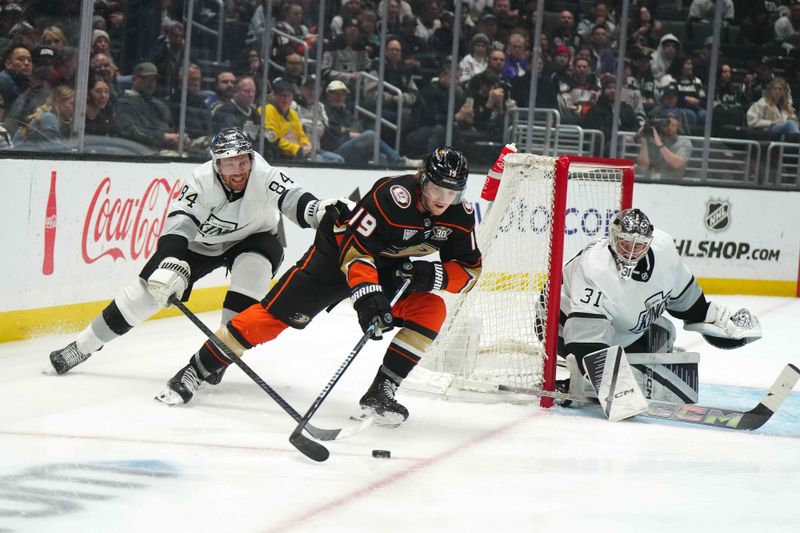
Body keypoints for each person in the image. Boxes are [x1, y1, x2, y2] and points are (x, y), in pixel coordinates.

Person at [155, 147, 483, 429]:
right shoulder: (392, 197)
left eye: (451, 192)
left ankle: (381, 392)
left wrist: (434, 277)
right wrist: (368, 297)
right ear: (422, 178)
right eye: (436, 188)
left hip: (388, 270)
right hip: (334, 257)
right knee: (271, 319)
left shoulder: (459, 216)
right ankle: (195, 370)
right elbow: (356, 251)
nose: (442, 199)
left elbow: (471, 270)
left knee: (432, 308)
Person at [47, 128, 344, 378]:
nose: (238, 171)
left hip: (256, 238)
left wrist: (319, 211)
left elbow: (294, 199)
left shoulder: (265, 174)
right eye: (229, 165)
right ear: (216, 165)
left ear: (251, 159)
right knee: (145, 293)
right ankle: (83, 346)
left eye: (242, 162)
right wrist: (170, 260)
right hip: (201, 244)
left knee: (250, 279)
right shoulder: (199, 181)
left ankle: (215, 361)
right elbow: (180, 224)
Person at [556, 208, 761, 418]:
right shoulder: (595, 268)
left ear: (649, 242)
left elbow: (687, 302)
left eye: (639, 246)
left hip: (614, 325)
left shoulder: (664, 250)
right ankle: (578, 379)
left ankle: (595, 377)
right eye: (625, 243)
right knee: (612, 366)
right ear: (613, 237)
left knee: (663, 332)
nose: (631, 252)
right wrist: (616, 391)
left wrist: (714, 322)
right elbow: (585, 339)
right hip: (560, 324)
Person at [114, 61, 189, 151]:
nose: (150, 83)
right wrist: (163, 137)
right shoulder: (124, 103)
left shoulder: (158, 104)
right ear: (134, 79)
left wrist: (180, 137)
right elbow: (129, 131)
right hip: (144, 151)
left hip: (167, 148)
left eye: (153, 79)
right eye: (145, 79)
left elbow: (169, 127)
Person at [262, 78, 312, 161]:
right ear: (273, 95)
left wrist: (305, 144)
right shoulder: (266, 111)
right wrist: (295, 149)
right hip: (277, 156)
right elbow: (271, 138)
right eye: (282, 95)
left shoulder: (293, 113)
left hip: (296, 154)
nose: (285, 99)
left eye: (289, 95)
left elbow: (301, 134)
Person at [636, 109, 692, 179]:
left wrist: (659, 144)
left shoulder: (684, 142)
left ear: (678, 125)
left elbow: (677, 163)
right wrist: (644, 141)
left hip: (672, 185)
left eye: (673, 125)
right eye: (667, 124)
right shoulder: (651, 140)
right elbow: (642, 166)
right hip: (650, 184)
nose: (669, 127)